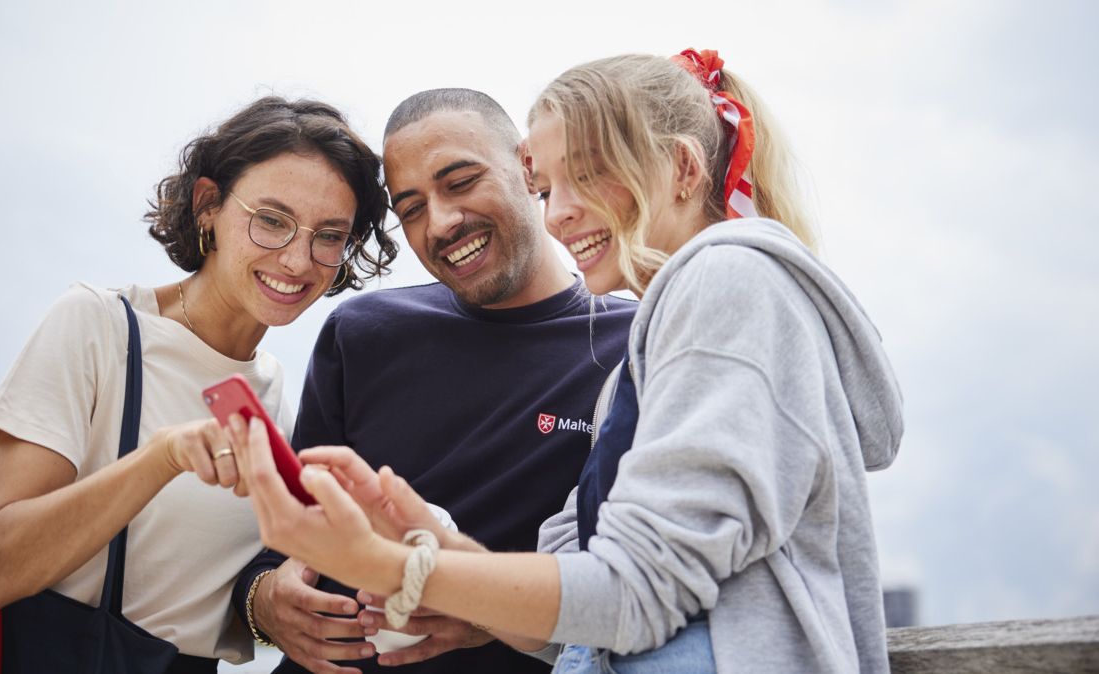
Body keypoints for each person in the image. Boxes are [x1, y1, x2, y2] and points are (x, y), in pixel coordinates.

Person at [229, 49, 904, 674]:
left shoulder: (724, 284)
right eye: (553, 186)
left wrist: (394, 566)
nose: (562, 213)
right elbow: (571, 611)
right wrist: (432, 544)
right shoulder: (632, 372)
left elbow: (638, 589)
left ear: (684, 169)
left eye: (586, 177)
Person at [0, 96, 395, 672]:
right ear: (207, 204)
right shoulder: (98, 324)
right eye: (271, 220)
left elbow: (210, 599)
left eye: (329, 235)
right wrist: (162, 457)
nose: (297, 260)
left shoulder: (277, 397)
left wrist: (272, 609)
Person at [232, 89, 636, 674]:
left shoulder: (633, 350)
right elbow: (283, 544)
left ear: (529, 170)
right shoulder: (362, 333)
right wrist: (265, 601)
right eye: (412, 207)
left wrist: (483, 608)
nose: (441, 223)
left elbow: (625, 587)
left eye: (461, 181)